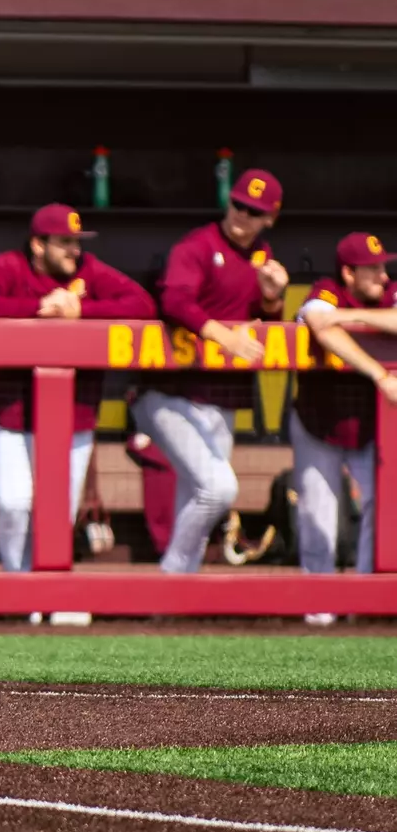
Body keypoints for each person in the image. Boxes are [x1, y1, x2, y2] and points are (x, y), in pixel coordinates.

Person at [0, 204, 155, 571]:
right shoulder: (9, 266)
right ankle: (18, 588)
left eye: (77, 242)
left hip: (73, 418)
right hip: (12, 413)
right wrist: (38, 308)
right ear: (38, 244)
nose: (74, 251)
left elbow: (142, 304)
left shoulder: (89, 271)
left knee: (57, 514)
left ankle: (44, 594)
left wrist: (81, 313)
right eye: (64, 242)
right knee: (13, 505)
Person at [135, 169, 288, 574]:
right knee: (219, 489)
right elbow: (174, 301)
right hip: (170, 393)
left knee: (198, 496)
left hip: (223, 397)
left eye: (254, 211)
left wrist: (272, 301)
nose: (242, 215)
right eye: (238, 204)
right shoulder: (198, 246)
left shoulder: (262, 257)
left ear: (269, 218)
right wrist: (225, 337)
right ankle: (172, 577)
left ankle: (178, 596)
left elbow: (264, 324)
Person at [289, 233, 397, 589]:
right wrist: (379, 373)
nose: (383, 275)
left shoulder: (391, 292)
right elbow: (320, 324)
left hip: (369, 426)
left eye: (384, 265)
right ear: (349, 273)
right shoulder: (326, 289)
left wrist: (351, 316)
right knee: (317, 513)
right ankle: (318, 607)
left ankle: (365, 599)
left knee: (382, 507)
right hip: (318, 422)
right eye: (373, 269)